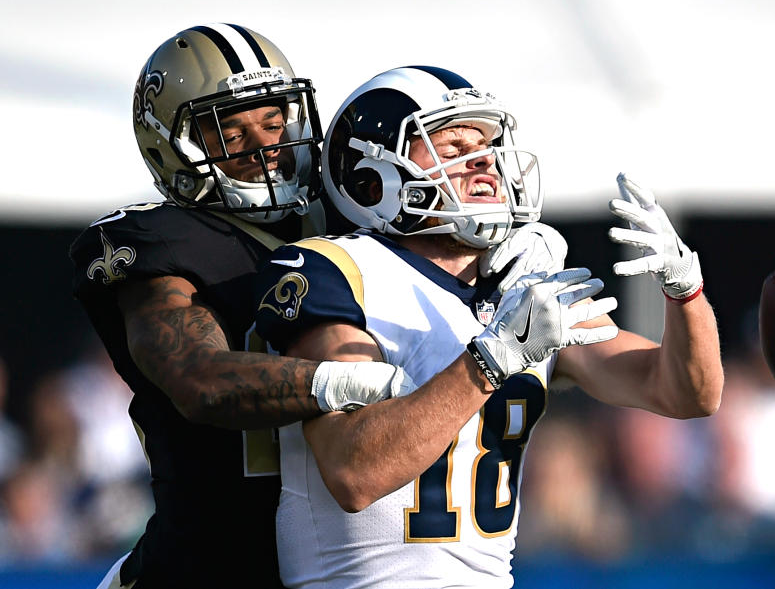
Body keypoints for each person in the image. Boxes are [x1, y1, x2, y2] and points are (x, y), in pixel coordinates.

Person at [69, 28, 566, 588]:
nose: (264, 147)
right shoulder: (163, 243)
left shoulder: (349, 227)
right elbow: (198, 378)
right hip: (201, 563)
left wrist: (501, 253)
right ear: (173, 146)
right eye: (231, 132)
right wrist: (339, 383)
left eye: (274, 123)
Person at [255, 66, 724, 588]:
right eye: (453, 143)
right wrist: (493, 357)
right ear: (373, 177)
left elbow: (685, 392)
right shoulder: (337, 271)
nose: (484, 160)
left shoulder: (523, 286)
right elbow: (354, 473)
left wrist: (686, 290)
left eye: (487, 143)